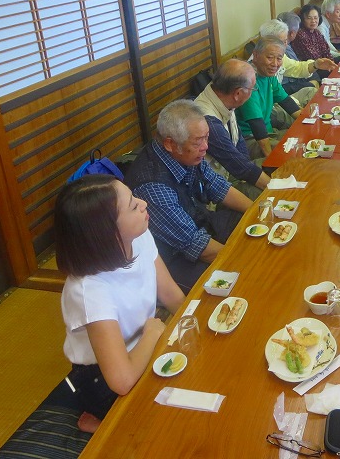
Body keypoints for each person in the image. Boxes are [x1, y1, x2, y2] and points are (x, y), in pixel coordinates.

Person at [56, 175, 186, 432]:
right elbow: (122, 381)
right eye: (132, 206)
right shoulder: (90, 290)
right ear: (107, 232)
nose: (143, 204)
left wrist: (194, 324)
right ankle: (100, 418)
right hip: (102, 378)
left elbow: (171, 295)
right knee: (170, 424)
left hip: (144, 345)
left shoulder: (138, 237)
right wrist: (152, 333)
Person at [124, 100, 252, 291]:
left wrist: (260, 211)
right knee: (233, 282)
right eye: (198, 141)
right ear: (170, 143)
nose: (205, 147)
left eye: (206, 138)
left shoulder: (186, 153)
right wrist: (245, 261)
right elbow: (195, 245)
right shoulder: (153, 186)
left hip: (199, 223)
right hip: (174, 256)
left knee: (251, 226)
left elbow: (219, 187)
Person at [193, 58, 269, 199]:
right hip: (217, 190)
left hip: (232, 172)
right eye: (253, 89)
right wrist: (274, 187)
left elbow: (239, 143)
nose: (253, 92)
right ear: (238, 93)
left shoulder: (222, 96)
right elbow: (239, 166)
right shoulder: (208, 122)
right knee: (269, 194)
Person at [238, 36, 303, 158]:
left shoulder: (268, 74)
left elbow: (287, 102)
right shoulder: (248, 79)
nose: (275, 64)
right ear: (255, 55)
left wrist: (308, 122)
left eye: (279, 58)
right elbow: (256, 124)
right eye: (269, 57)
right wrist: (271, 158)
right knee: (293, 154)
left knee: (303, 139)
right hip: (251, 138)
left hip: (268, 132)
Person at [291, 4, 337, 78]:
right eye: (309, 18)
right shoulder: (300, 34)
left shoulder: (316, 32)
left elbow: (326, 51)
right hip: (312, 71)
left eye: (316, 18)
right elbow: (312, 56)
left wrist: (331, 63)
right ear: (303, 19)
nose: (313, 21)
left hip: (323, 65)